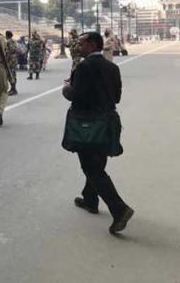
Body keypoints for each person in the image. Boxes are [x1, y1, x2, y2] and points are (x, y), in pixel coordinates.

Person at [62, 31, 134, 234]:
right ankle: (90, 199)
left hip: (88, 125)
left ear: (92, 45)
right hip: (108, 122)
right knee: (97, 162)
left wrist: (66, 88)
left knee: (91, 167)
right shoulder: (112, 67)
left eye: (81, 43)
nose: (78, 46)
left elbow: (77, 96)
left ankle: (119, 209)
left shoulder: (83, 67)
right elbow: (116, 97)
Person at [5, 31, 18, 95]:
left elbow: (12, 49)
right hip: (13, 59)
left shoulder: (9, 41)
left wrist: (7, 54)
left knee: (11, 74)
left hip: (10, 60)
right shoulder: (13, 41)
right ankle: (13, 88)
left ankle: (13, 89)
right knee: (12, 74)